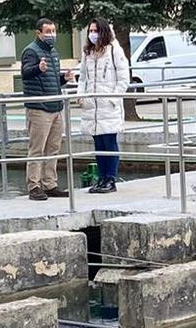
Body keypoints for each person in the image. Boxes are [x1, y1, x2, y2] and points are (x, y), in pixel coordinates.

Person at [77, 17, 130, 192]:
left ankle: (110, 179)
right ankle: (101, 178)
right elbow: (83, 78)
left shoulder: (114, 50)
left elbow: (123, 79)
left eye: (95, 30)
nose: (92, 34)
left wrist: (113, 99)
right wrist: (81, 96)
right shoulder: (88, 52)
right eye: (90, 31)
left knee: (109, 141)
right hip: (92, 106)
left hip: (108, 105)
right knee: (98, 142)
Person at [20, 17, 69, 201]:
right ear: (38, 33)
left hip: (55, 106)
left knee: (53, 148)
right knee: (37, 148)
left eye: (53, 31)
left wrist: (64, 78)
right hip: (39, 107)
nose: (52, 35)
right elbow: (25, 73)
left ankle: (50, 184)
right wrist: (38, 69)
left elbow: (53, 79)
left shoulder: (53, 52)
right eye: (48, 31)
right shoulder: (31, 51)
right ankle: (34, 186)